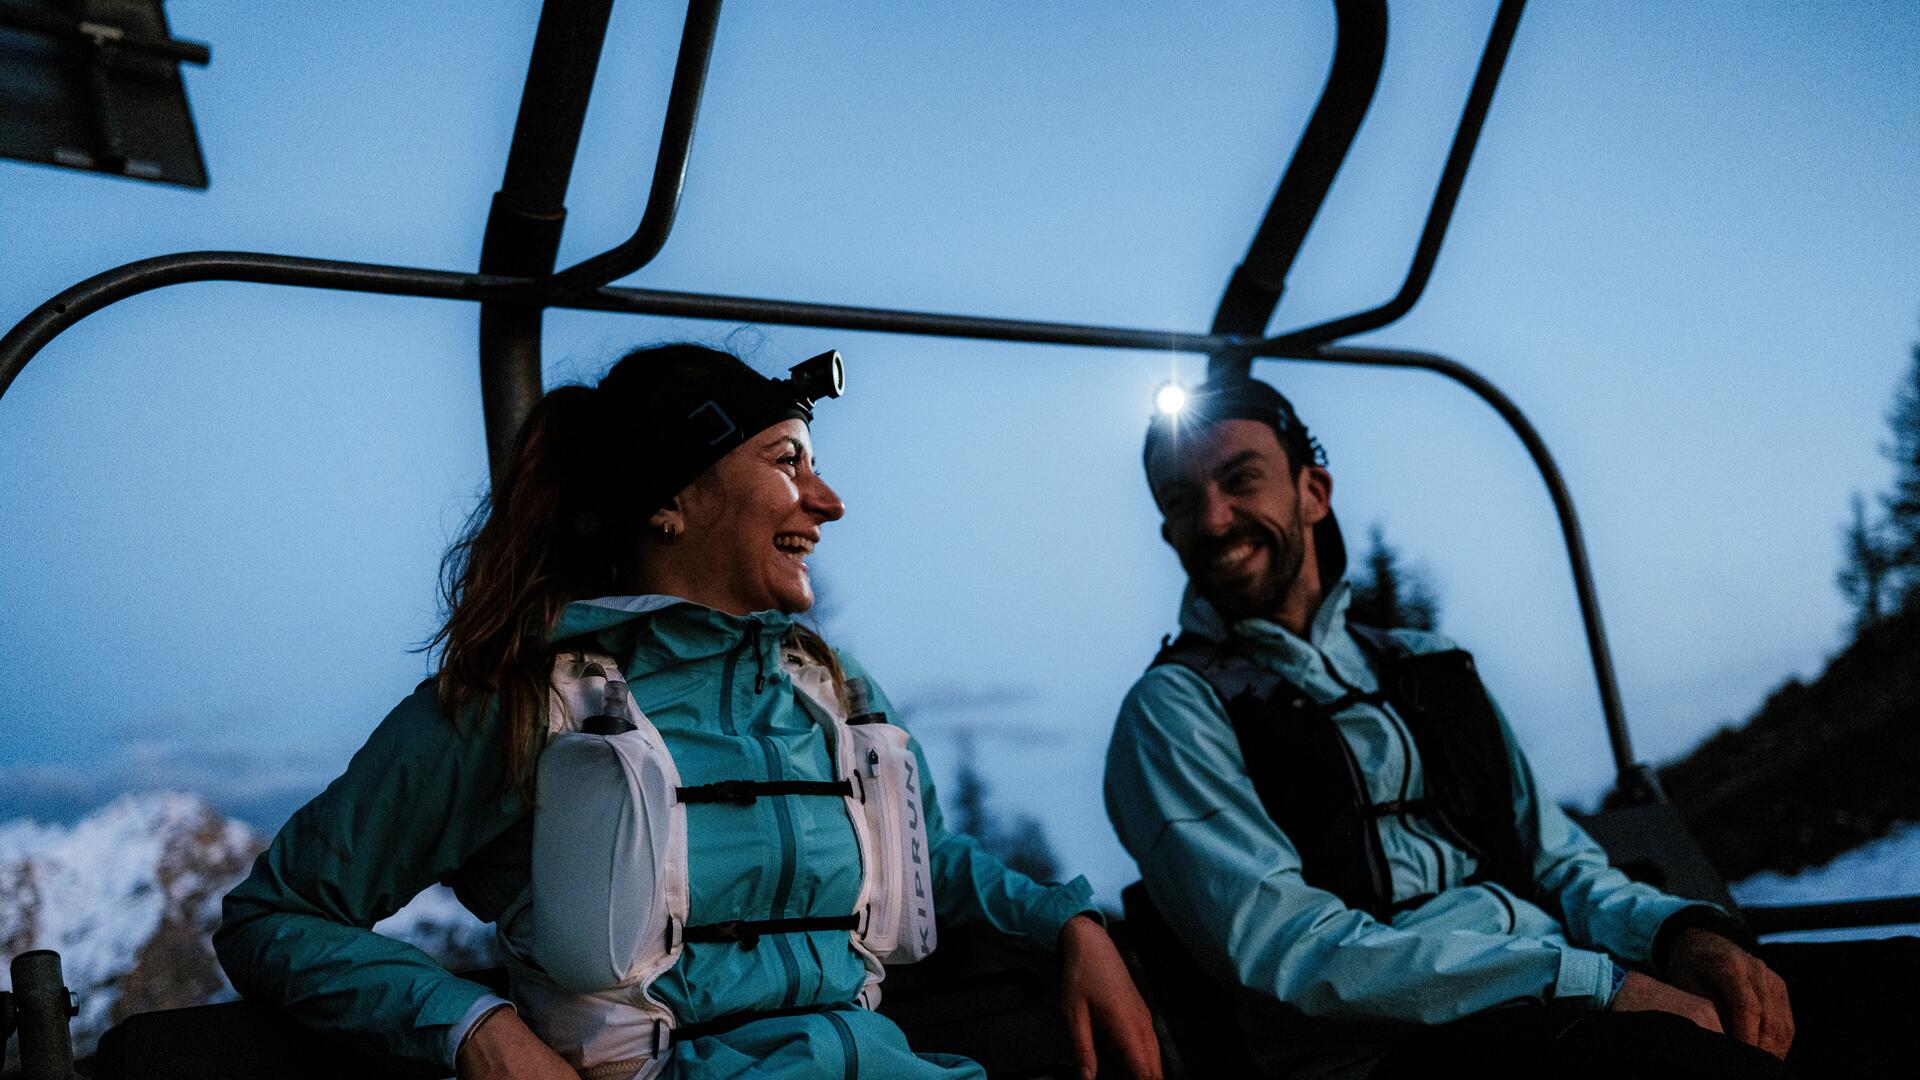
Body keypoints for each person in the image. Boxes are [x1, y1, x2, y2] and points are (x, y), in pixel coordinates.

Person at [216, 343, 1161, 1080]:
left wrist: (1067, 927)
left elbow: (922, 859)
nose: (826, 502)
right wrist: (476, 1029)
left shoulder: (825, 685)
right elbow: (278, 917)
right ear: (670, 498)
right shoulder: (519, 706)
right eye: (787, 461)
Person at [1103, 376, 1915, 1079]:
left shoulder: (1428, 669)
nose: (1211, 518)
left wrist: (1676, 934)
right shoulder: (1175, 716)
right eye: (1180, 502)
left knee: (1884, 999)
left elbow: (1558, 862)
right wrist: (1589, 985)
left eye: (1240, 479)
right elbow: (1290, 950)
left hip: (1567, 990)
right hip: (1393, 1053)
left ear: (1313, 491)